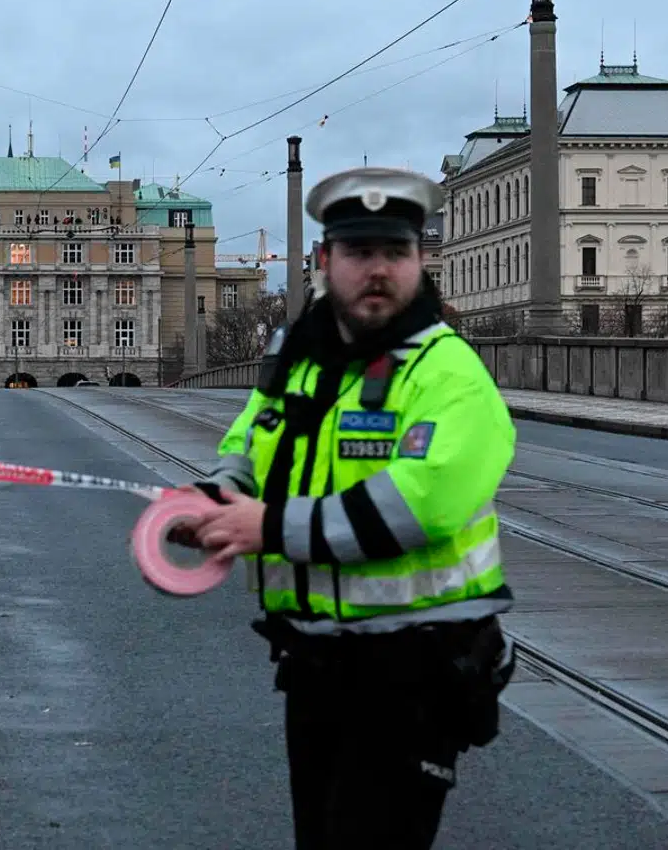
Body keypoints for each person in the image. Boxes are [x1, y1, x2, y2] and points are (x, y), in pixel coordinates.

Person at [172, 166, 517, 849]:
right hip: (314, 664)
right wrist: (215, 497)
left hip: (416, 671)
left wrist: (265, 527)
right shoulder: (305, 364)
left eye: (396, 253)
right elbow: (250, 445)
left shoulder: (446, 371)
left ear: (421, 262)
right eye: (361, 254)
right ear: (325, 262)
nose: (379, 270)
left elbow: (419, 503)